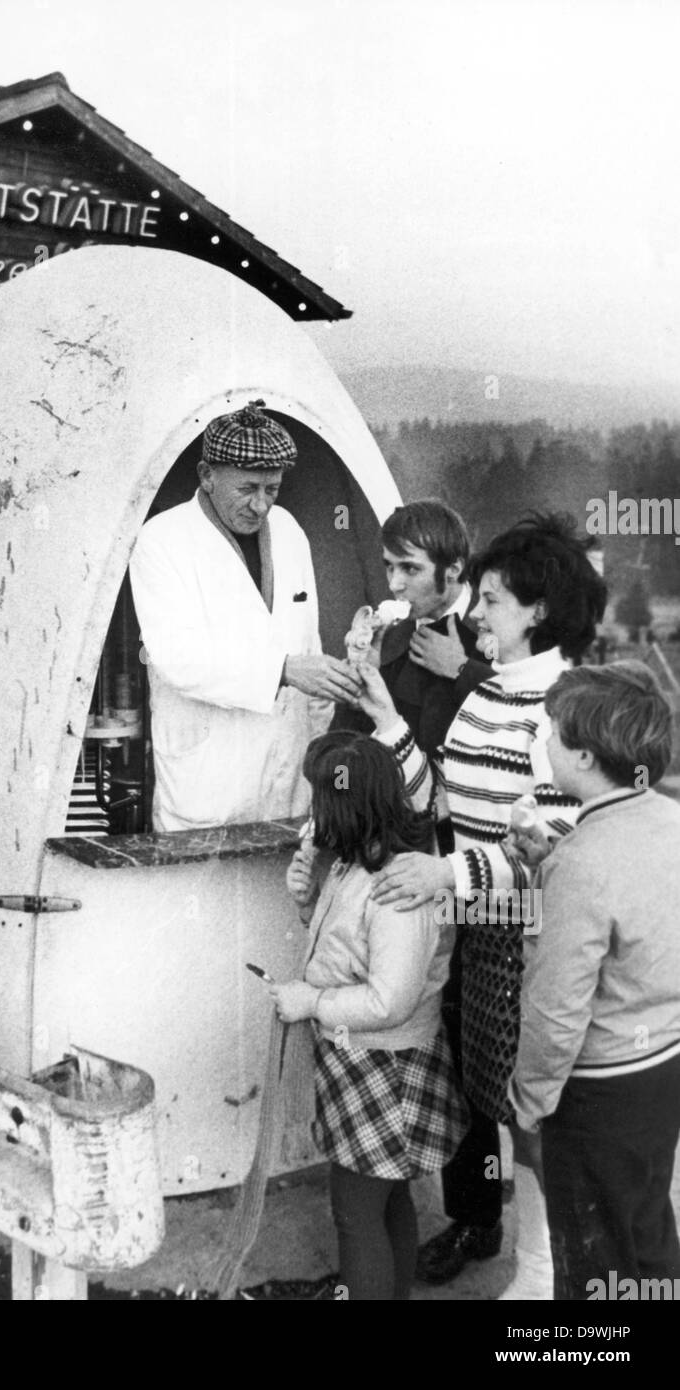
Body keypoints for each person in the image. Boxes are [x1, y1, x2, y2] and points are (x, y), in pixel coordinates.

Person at [353, 513, 607, 1299]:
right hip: (477, 936)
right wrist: (388, 719)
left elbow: (557, 852)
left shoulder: (563, 708)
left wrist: (448, 878)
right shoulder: (492, 689)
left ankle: (541, 1281)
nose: (478, 614)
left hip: (528, 947)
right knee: (496, 1105)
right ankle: (539, 1269)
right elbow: (440, 800)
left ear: (536, 612)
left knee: (535, 1121)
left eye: (491, 600)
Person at [332, 499, 501, 1283]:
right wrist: (357, 671)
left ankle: (476, 1217)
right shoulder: (395, 634)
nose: (394, 582)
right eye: (390, 565)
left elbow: (523, 727)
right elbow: (350, 734)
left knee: (469, 1049)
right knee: (420, 1036)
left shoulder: (489, 640)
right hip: (394, 860)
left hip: (467, 872)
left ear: (454, 575)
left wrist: (463, 673)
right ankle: (403, 1192)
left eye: (410, 570)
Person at [270, 731, 468, 1300]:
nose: (314, 814)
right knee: (388, 1196)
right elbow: (345, 948)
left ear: (346, 808)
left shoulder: (400, 889)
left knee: (356, 1213)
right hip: (362, 1061)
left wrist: (312, 1003)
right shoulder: (355, 861)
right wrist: (307, 899)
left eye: (320, 802)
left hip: (388, 1069)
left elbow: (390, 1000)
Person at [509, 662, 680, 1301]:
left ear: (582, 755)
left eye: (550, 733)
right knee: (645, 1232)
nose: (543, 745)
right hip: (663, 1067)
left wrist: (529, 1102)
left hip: (596, 1096)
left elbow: (556, 1013)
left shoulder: (582, 862)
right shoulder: (667, 819)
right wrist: (552, 863)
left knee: (593, 1269)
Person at [129, 401, 362, 831]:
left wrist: (318, 752)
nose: (260, 505)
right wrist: (283, 671)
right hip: (208, 786)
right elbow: (175, 659)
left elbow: (306, 645)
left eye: (272, 489)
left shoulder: (289, 530)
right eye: (247, 488)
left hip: (289, 780)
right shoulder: (161, 541)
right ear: (206, 475)